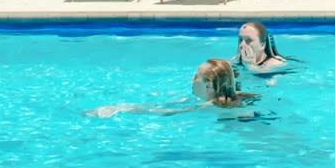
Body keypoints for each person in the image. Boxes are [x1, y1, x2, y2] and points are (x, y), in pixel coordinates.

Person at [90, 58, 259, 118]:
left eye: (196, 76)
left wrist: (120, 108)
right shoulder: (240, 96)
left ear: (208, 85)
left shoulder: (208, 106)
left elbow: (166, 112)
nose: (192, 80)